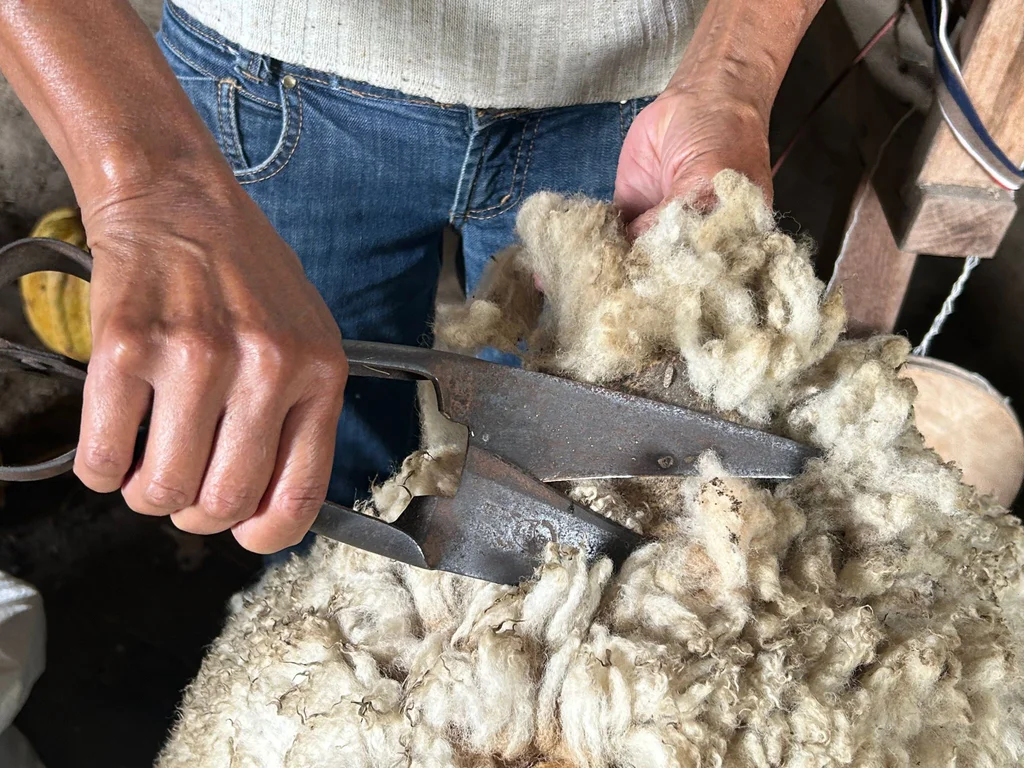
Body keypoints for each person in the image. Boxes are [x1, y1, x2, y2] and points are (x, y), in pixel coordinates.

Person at [0, 0, 823, 555]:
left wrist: (734, 75)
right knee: (300, 476)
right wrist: (150, 187)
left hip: (647, 99)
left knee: (581, 511)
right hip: (271, 79)